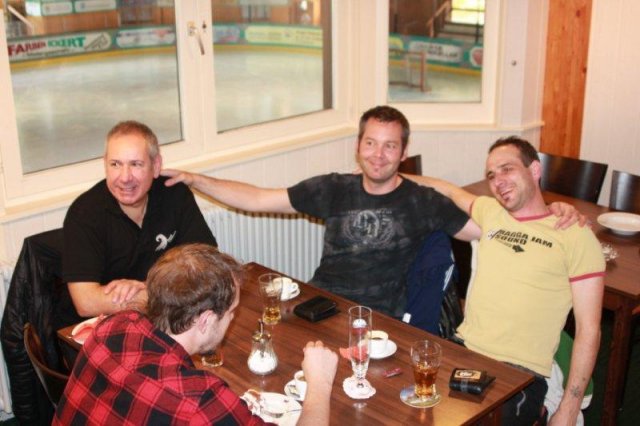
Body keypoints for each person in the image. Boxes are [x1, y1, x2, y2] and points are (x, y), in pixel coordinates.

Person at [162, 106, 478, 318]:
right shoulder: (335, 188)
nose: (378, 155)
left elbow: (481, 230)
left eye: (390, 146)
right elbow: (257, 199)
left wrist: (444, 186)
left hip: (377, 321)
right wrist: (196, 180)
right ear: (358, 146)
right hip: (321, 306)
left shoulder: (422, 201)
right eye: (370, 143)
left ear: (404, 151)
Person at [406, 136, 605, 425]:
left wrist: (569, 408)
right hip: (463, 349)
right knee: (407, 411)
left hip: (520, 371)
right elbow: (445, 188)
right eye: (491, 175)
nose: (498, 181)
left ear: (534, 169)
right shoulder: (492, 212)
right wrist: (388, 175)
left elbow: (590, 330)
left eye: (507, 169)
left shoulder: (574, 234)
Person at [54, 243, 338, 425]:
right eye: (232, 312)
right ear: (205, 320)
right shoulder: (200, 400)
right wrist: (320, 381)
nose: (233, 318)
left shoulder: (112, 327)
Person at [62, 121, 217, 319]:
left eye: (136, 164)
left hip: (167, 317)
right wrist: (170, 293)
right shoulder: (84, 213)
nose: (125, 177)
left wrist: (146, 288)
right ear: (105, 165)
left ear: (156, 166)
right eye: (115, 164)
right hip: (108, 325)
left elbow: (208, 266)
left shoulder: (174, 193)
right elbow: (86, 303)